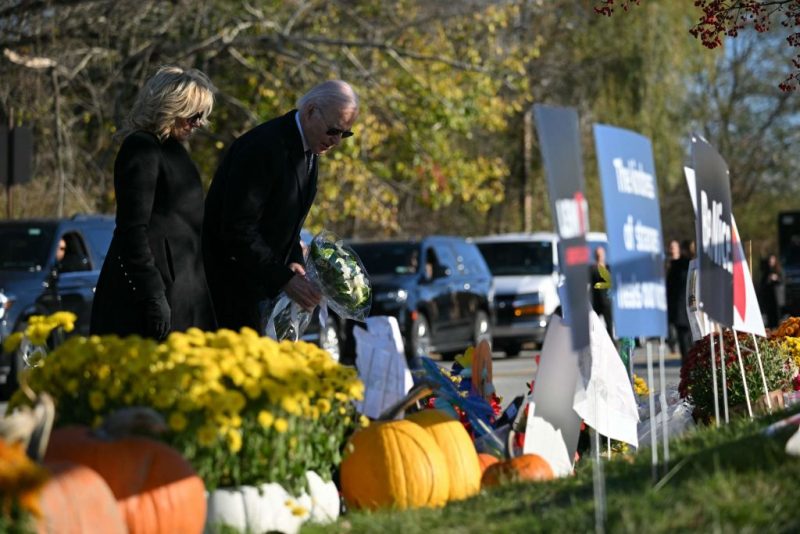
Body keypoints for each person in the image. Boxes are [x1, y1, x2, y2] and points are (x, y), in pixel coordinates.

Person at [203, 80, 359, 330]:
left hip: (261, 290)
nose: (337, 141)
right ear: (310, 112)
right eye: (333, 130)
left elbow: (285, 221)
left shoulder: (309, 149)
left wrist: (294, 261)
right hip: (231, 291)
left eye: (344, 133)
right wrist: (283, 278)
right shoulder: (265, 146)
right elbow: (237, 227)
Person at [90, 65, 217, 340]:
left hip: (186, 290)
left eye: (202, 116)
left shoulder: (175, 151)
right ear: (170, 107)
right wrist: (153, 295)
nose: (199, 123)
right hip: (152, 294)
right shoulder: (141, 148)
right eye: (194, 114)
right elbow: (132, 229)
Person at [666, 239, 693, 363]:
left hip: (684, 309)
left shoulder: (685, 265)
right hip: (677, 309)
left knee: (688, 342)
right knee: (684, 342)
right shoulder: (671, 265)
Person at [589, 246, 613, 337]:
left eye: (601, 254)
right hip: (596, 302)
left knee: (609, 326)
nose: (599, 256)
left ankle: (613, 346)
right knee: (593, 326)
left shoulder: (608, 268)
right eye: (597, 255)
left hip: (607, 302)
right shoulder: (592, 269)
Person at [665, 239, 681, 353]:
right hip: (669, 296)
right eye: (670, 247)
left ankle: (679, 340)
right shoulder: (666, 263)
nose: (672, 249)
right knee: (670, 323)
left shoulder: (682, 262)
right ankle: (672, 342)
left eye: (673, 247)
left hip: (679, 296)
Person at [760, 253, 784, 328]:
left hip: (777, 296)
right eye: (770, 261)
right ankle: (771, 327)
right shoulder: (766, 272)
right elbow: (763, 284)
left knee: (777, 314)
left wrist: (776, 278)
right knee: (769, 314)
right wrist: (769, 279)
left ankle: (778, 327)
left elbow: (782, 281)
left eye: (772, 261)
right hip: (769, 296)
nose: (771, 263)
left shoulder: (779, 270)